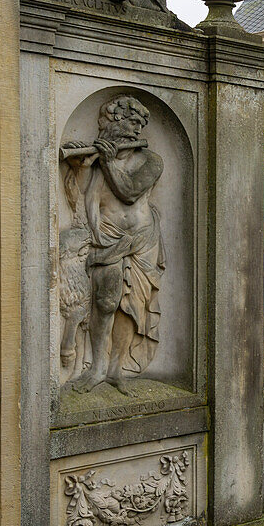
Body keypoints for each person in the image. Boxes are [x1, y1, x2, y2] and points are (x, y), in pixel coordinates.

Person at [62, 96, 164, 393]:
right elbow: (76, 197)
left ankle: (117, 369)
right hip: (105, 237)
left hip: (141, 241)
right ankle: (96, 369)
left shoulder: (151, 160)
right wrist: (82, 166)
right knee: (105, 302)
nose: (136, 129)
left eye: (140, 124)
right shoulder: (99, 159)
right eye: (131, 122)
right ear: (111, 122)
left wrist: (107, 161)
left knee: (131, 307)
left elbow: (129, 191)